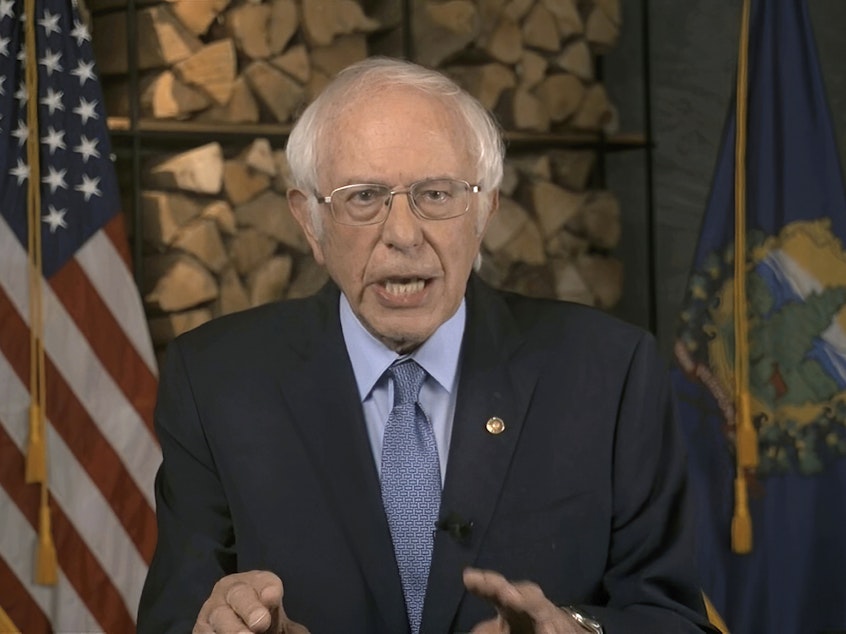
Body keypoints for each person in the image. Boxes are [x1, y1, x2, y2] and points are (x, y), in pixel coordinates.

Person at [137, 57, 716, 634]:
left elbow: (675, 619)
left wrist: (578, 631)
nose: (404, 235)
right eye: (364, 197)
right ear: (310, 223)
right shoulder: (215, 381)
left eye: (436, 194)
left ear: (485, 210)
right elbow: (172, 619)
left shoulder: (611, 373)